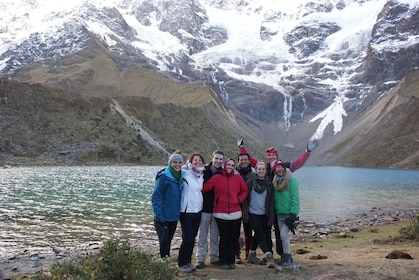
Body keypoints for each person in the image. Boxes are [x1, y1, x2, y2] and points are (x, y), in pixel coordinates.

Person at [236, 136, 318, 261]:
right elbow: (251, 160)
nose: (271, 157)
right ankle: (269, 254)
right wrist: (242, 148)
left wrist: (307, 151)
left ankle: (282, 254)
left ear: (276, 155)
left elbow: (298, 162)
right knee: (267, 231)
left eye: (273, 155)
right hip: (268, 207)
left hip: (280, 206)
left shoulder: (284, 167)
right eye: (269, 155)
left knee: (280, 233)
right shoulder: (264, 167)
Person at [203, 158, 249, 270]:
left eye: (232, 165)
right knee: (224, 238)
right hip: (220, 214)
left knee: (233, 238)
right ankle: (224, 261)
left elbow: (245, 191)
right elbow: (204, 188)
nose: (230, 167)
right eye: (228, 164)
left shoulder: (238, 178)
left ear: (234, 167)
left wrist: (238, 200)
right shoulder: (217, 178)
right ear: (224, 165)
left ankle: (231, 261)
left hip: (235, 214)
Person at [241, 161, 276, 268]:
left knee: (257, 234)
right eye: (259, 169)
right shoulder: (250, 182)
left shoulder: (269, 184)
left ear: (266, 171)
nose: (261, 171)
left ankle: (251, 255)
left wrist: (271, 217)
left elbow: (270, 202)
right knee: (261, 235)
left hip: (264, 214)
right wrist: (245, 214)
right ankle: (269, 256)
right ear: (256, 170)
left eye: (263, 169)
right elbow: (245, 200)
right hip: (252, 213)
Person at [151, 151, 184, 259]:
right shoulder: (163, 176)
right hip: (163, 216)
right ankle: (163, 260)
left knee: (169, 239)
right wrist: (159, 215)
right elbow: (156, 196)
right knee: (164, 239)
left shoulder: (181, 176)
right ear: (170, 163)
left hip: (174, 215)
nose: (177, 164)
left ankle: (166, 258)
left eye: (180, 162)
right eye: (175, 162)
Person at [195, 150, 225, 269]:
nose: (218, 161)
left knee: (215, 235)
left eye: (220, 159)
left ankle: (214, 257)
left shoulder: (223, 173)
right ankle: (200, 258)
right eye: (216, 158)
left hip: (217, 209)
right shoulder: (203, 170)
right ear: (212, 158)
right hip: (204, 208)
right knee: (202, 234)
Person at [177, 153, 205, 273]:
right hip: (186, 210)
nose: (197, 162)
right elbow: (174, 170)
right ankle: (182, 262)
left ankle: (188, 261)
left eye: (199, 160)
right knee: (187, 237)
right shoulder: (185, 172)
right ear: (191, 161)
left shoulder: (201, 174)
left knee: (192, 237)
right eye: (195, 160)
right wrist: (183, 166)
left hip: (197, 210)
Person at [271, 160, 300, 266]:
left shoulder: (291, 180)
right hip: (279, 213)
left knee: (283, 235)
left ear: (284, 168)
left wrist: (294, 213)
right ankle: (286, 257)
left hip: (289, 214)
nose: (279, 169)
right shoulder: (275, 182)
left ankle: (287, 256)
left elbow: (295, 197)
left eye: (281, 167)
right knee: (282, 236)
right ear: (275, 170)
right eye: (277, 168)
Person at [234, 152, 255, 263]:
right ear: (238, 161)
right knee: (236, 232)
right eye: (241, 160)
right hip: (236, 205)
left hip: (250, 206)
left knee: (248, 232)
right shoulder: (234, 173)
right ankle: (236, 254)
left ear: (249, 160)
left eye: (245, 159)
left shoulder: (253, 174)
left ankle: (248, 254)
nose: (243, 161)